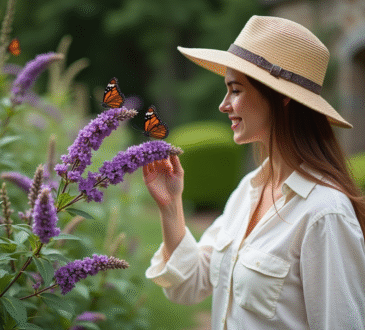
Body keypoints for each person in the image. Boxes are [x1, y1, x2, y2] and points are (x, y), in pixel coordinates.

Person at [143, 15, 365, 329]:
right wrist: (170, 206)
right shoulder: (248, 189)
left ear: (283, 97)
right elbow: (188, 284)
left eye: (236, 90)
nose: (224, 104)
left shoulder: (325, 213)